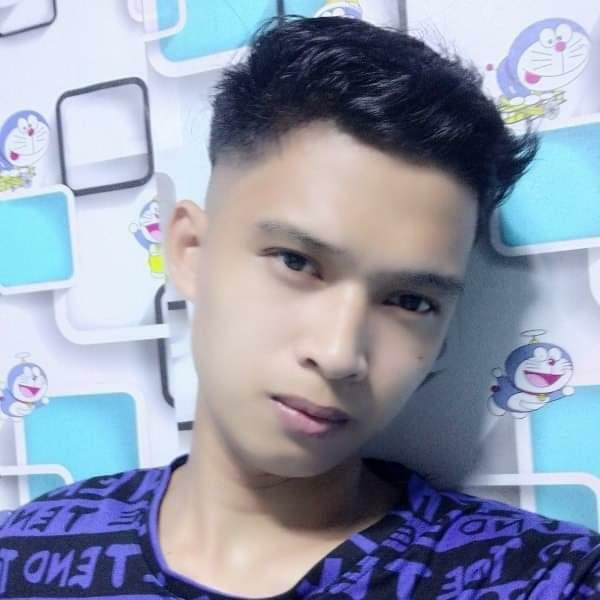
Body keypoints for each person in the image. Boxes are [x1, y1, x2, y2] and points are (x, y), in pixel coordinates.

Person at [1, 15, 599, 599]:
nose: (338, 354)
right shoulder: (25, 553)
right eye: (296, 261)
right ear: (190, 253)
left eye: (410, 301)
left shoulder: (542, 577)